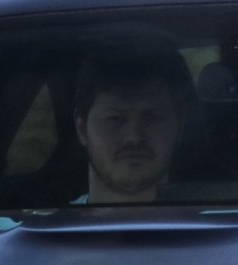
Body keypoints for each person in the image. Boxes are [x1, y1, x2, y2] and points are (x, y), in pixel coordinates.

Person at [74, 50, 189, 203]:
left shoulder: (214, 224)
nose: (134, 138)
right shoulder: (47, 225)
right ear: (82, 130)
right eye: (116, 119)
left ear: (180, 126)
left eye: (152, 117)